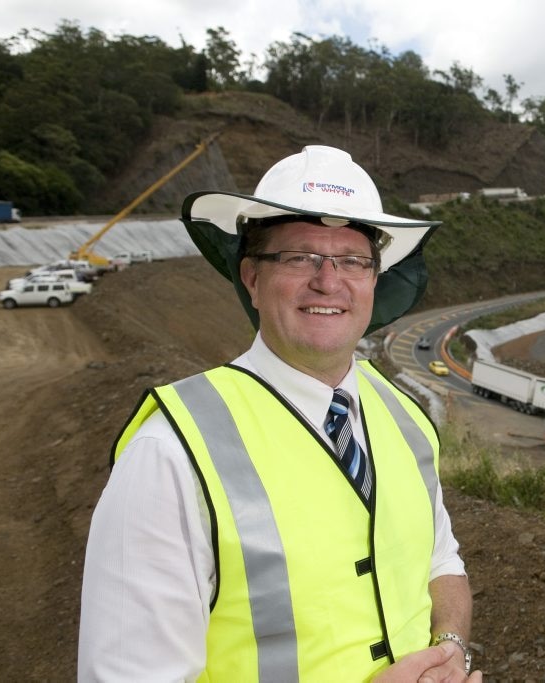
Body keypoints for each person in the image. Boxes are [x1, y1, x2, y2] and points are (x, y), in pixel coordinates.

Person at [79, 145, 479, 682]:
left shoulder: (403, 416)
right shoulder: (171, 452)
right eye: (300, 257)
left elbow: (440, 561)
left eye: (353, 260)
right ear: (251, 278)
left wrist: (450, 647)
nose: (328, 280)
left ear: (374, 279)